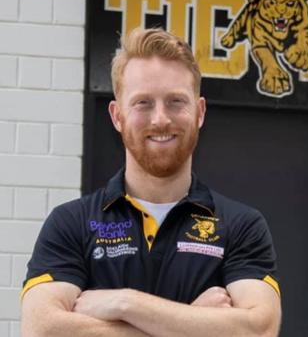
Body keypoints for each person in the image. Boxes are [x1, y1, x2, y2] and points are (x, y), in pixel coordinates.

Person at [21, 28, 281, 337]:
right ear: (117, 116)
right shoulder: (71, 223)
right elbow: (42, 329)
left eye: (175, 102)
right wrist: (195, 322)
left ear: (199, 113)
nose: (160, 119)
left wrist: (124, 303)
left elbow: (259, 330)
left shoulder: (240, 226)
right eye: (143, 103)